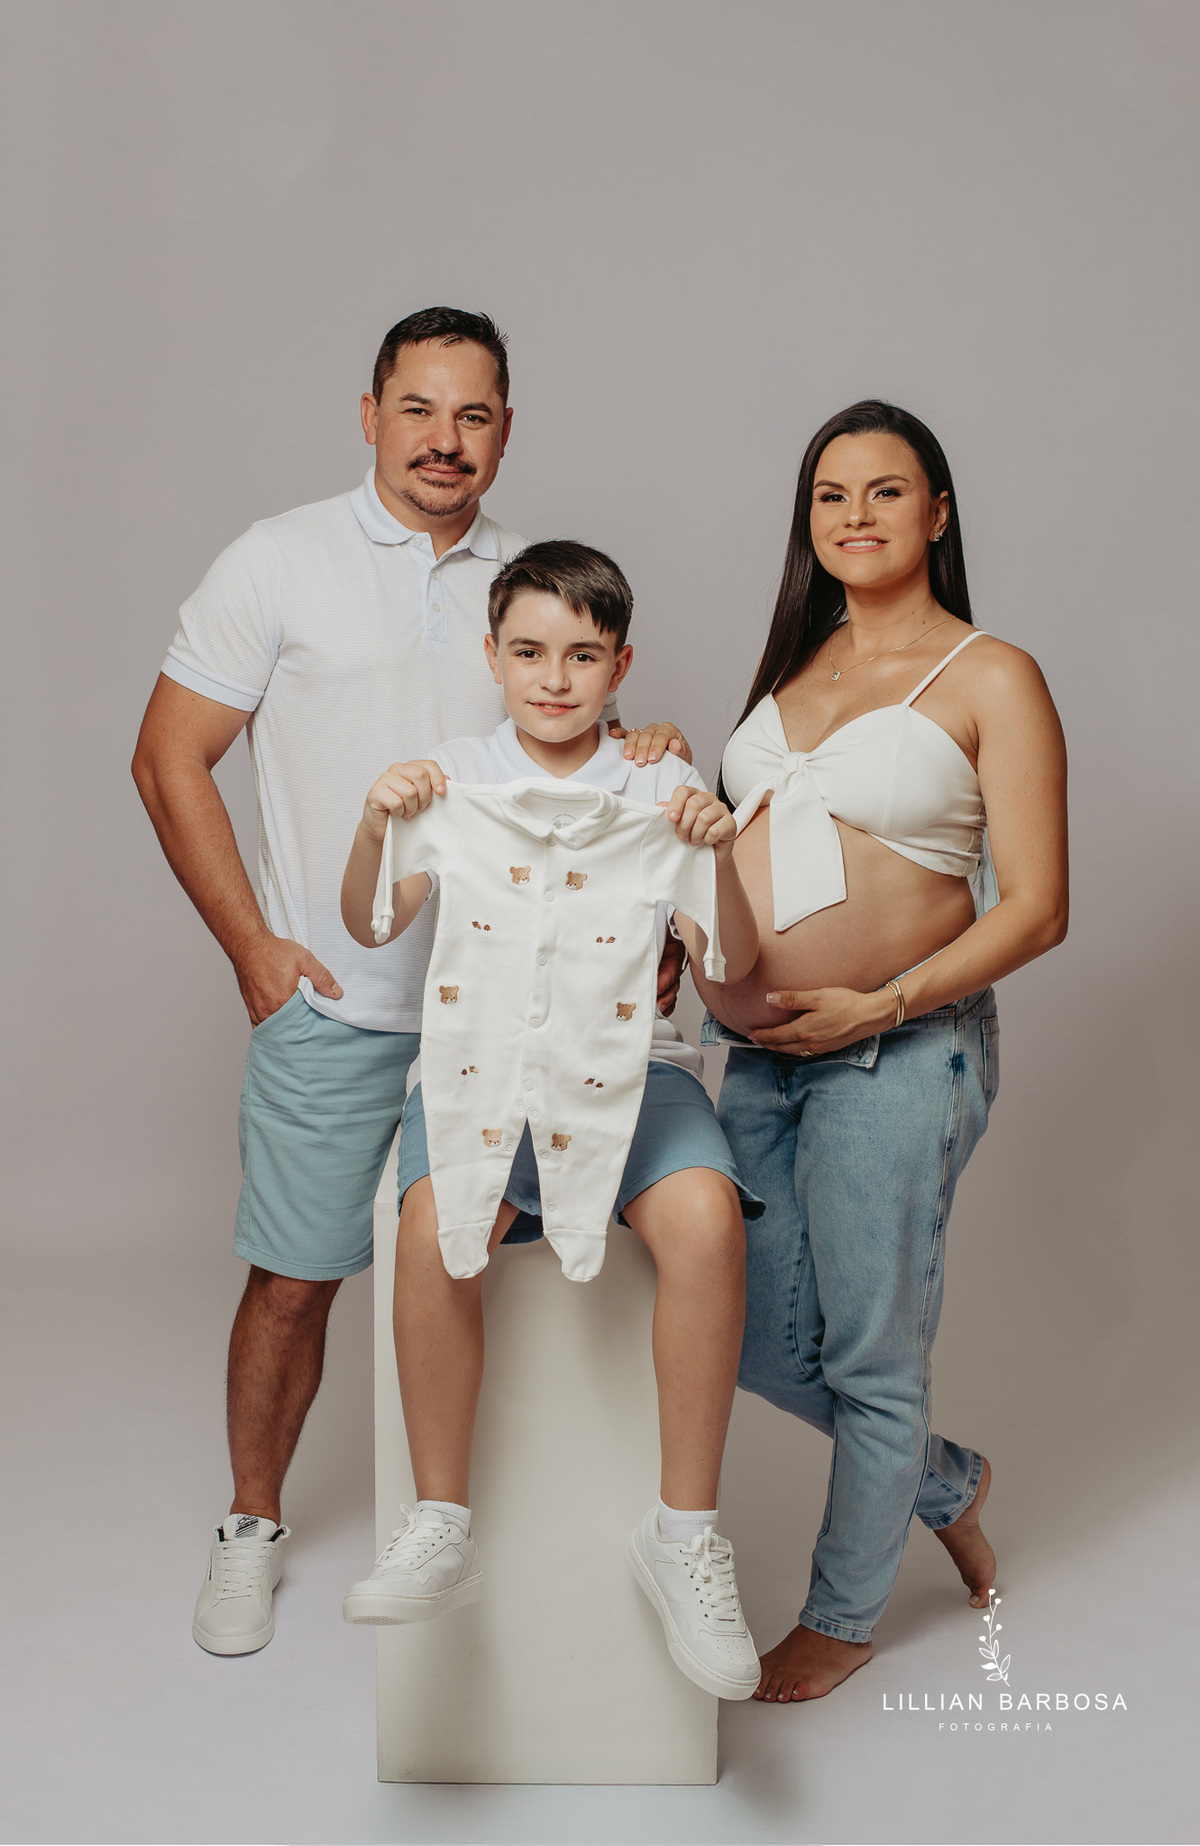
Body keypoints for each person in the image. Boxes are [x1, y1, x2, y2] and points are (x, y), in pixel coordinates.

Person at [131, 309, 689, 1657]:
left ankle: (514, 1541)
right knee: (294, 1279)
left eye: (474, 414)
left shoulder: (529, 582)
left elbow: (577, 748)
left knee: (526, 1277)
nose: (446, 439)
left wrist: (648, 750)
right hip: (340, 1002)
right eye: (420, 409)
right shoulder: (280, 558)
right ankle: (251, 1523)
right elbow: (167, 756)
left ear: (506, 430)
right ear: (370, 413)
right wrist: (256, 949)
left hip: (516, 1020)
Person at [337, 540, 765, 1700]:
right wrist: (377, 824)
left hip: (633, 1067)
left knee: (707, 1219)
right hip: (478, 1069)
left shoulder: (658, 787)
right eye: (529, 652)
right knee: (431, 1229)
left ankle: (685, 1535)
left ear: (619, 665)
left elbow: (733, 960)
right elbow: (371, 924)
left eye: (582, 656)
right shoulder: (451, 779)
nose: (554, 677)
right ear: (492, 656)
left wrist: (718, 854)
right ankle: (439, 1520)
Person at [690, 400, 1068, 1703]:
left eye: (886, 491)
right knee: (743, 1330)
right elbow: (743, 859)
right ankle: (945, 1482)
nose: (856, 516)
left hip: (899, 1052)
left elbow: (1037, 907)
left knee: (868, 1353)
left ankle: (845, 1613)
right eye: (831, 495)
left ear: (938, 511)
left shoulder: (990, 673)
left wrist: (882, 1004)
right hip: (759, 1054)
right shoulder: (791, 672)